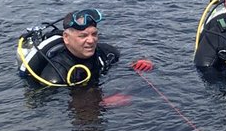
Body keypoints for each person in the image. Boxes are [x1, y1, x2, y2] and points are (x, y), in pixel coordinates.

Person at [17, 8, 151, 87]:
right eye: (83, 36)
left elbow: (122, 64)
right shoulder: (54, 76)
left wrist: (139, 63)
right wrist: (104, 103)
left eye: (94, 34)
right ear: (66, 38)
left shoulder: (106, 52)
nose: (91, 40)